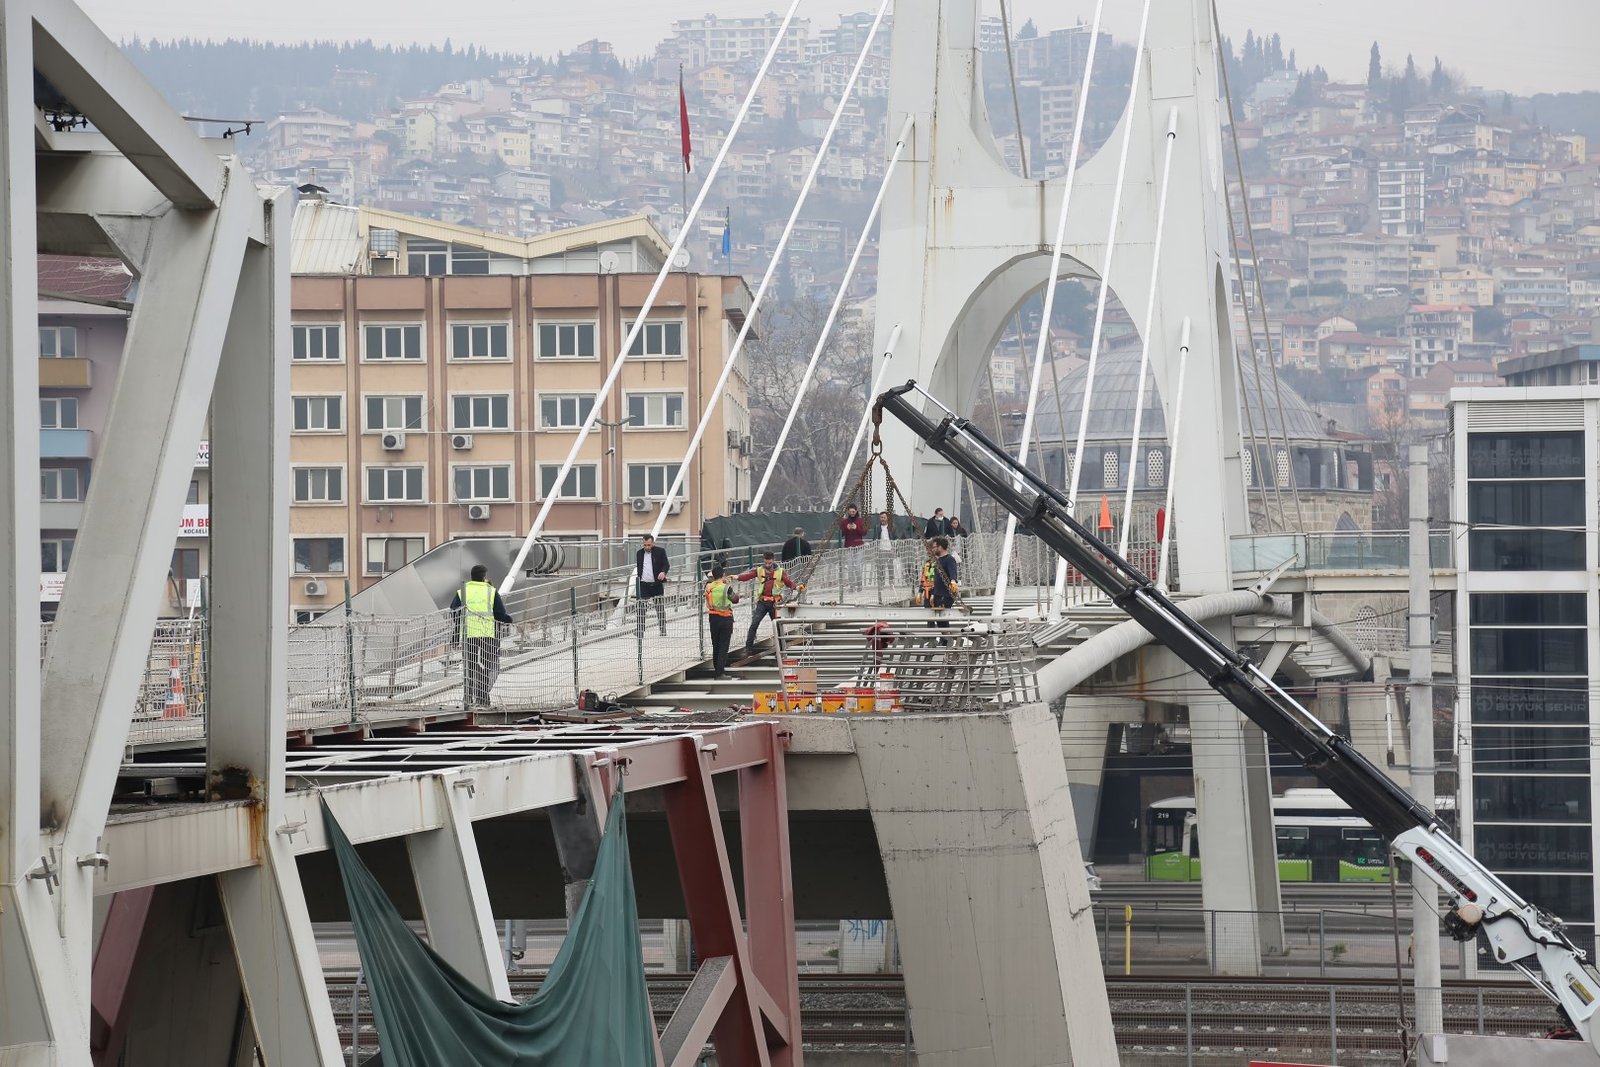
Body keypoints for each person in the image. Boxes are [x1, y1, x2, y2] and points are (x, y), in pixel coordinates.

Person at [449, 564, 514, 710]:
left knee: (470, 667)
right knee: (490, 666)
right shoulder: (491, 591)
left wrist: (458, 631)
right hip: (487, 634)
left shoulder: (462, 591)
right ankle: (482, 697)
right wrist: (509, 620)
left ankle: (469, 698)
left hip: (468, 635)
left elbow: (454, 612)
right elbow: (500, 614)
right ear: (484, 577)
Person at [736, 551, 802, 655]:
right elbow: (748, 576)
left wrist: (797, 587)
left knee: (777, 627)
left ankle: (780, 650)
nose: (767, 565)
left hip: (774, 604)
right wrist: (736, 577)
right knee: (754, 624)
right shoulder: (759, 570)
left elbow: (788, 582)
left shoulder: (780, 572)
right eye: (766, 563)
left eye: (769, 563)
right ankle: (748, 649)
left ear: (773, 560)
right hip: (762, 602)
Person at [704, 564, 740, 678]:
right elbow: (735, 600)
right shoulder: (726, 587)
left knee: (716, 644)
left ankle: (717, 670)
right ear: (723, 575)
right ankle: (720, 673)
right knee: (724, 646)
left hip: (713, 617)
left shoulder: (709, 586)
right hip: (725, 618)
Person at [635, 534, 670, 637]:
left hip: (656, 584)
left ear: (653, 543)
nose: (647, 547)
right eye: (645, 545)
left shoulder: (660, 551)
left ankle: (662, 630)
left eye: (649, 545)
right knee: (641, 608)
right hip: (644, 584)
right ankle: (640, 630)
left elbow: (666, 564)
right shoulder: (639, 554)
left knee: (659, 608)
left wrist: (663, 572)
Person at [920, 536, 959, 630]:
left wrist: (953, 581)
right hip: (937, 594)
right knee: (940, 620)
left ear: (940, 547)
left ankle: (947, 639)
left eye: (934, 547)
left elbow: (952, 572)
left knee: (942, 619)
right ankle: (945, 639)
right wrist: (931, 593)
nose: (932, 549)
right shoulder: (937, 561)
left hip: (945, 594)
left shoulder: (949, 559)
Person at [839, 503, 867, 591]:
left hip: (859, 546)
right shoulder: (844, 521)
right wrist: (846, 528)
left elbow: (864, 532)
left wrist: (856, 528)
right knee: (850, 567)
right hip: (849, 546)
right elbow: (841, 533)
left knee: (858, 566)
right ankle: (852, 586)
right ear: (848, 511)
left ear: (856, 511)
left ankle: (859, 585)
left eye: (853, 511)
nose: (852, 513)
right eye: (850, 511)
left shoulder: (860, 520)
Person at [874, 509, 901, 588]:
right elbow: (875, 538)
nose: (882, 519)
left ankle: (891, 583)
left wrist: (894, 548)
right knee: (881, 567)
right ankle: (881, 583)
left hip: (889, 550)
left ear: (887, 518)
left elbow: (896, 538)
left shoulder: (892, 527)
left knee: (890, 567)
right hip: (881, 550)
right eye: (881, 517)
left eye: (884, 517)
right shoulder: (877, 527)